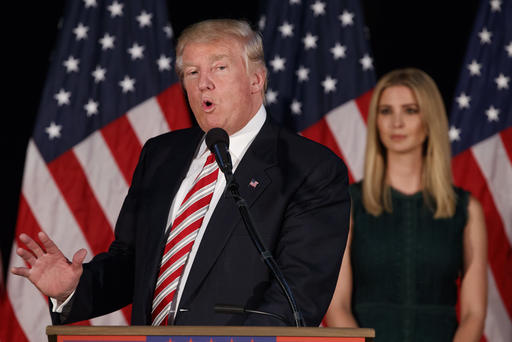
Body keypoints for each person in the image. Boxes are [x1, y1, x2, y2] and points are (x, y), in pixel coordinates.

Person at [11, 19, 350, 327]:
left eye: (219, 67)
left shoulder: (309, 168)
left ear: (256, 80)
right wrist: (75, 287)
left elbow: (298, 294)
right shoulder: (161, 155)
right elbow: (133, 265)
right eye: (191, 72)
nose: (204, 83)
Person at [324, 68, 487, 341]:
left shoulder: (467, 210)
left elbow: (474, 313)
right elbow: (337, 308)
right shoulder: (349, 204)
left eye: (410, 110)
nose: (396, 123)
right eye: (386, 111)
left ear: (430, 119)